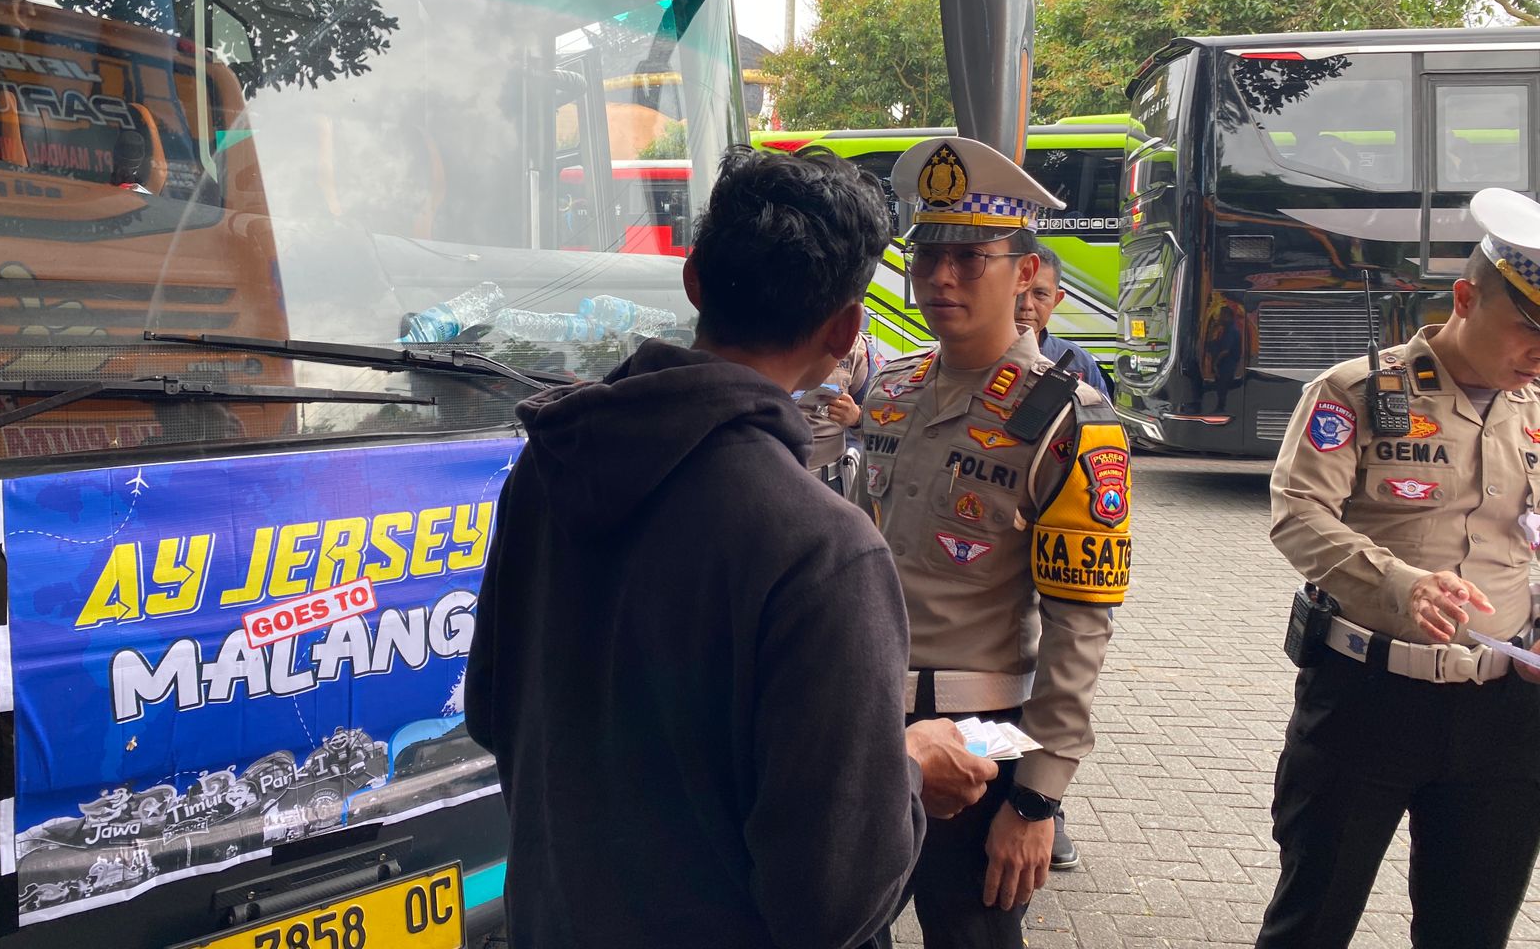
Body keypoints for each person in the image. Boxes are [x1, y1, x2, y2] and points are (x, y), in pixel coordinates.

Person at [465, 148, 997, 949]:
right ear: (845, 329)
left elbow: (488, 710)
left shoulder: (551, 465)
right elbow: (832, 898)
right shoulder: (824, 550)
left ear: (694, 282)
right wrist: (911, 768)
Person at [851, 136, 1132, 949]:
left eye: (969, 258)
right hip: (872, 723)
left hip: (985, 737)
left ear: (1025, 271)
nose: (941, 278)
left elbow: (1081, 626)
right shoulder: (891, 391)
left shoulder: (1069, 419)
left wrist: (1037, 800)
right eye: (927, 255)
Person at [1256, 186, 1540, 949]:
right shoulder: (1355, 391)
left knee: (1470, 931)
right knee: (1311, 921)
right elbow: (1297, 514)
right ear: (1464, 300)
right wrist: (1399, 584)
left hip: (1506, 715)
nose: (1538, 354)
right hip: (1367, 699)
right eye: (1529, 328)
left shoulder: (1537, 408)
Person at [1015, 244, 1111, 398]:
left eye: (1040, 293)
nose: (1026, 305)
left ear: (1057, 299)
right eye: (1017, 292)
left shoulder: (1080, 362)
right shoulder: (976, 359)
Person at [798, 330, 877, 494]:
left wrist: (856, 417)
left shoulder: (855, 348)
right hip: (764, 472)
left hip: (828, 482)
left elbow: (882, 419)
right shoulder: (757, 336)